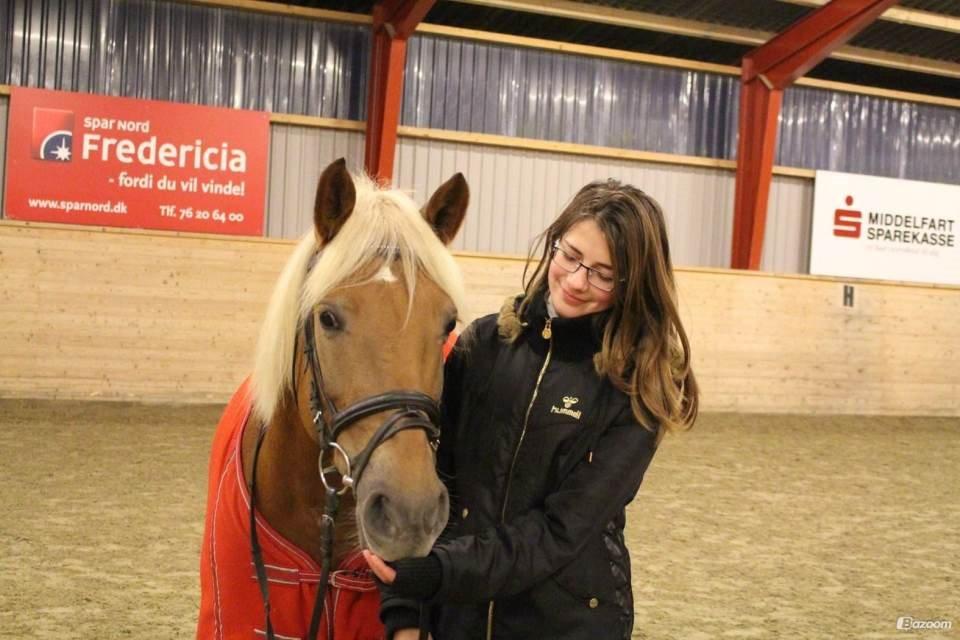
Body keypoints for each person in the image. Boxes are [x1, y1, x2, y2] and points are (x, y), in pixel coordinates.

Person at [363, 179, 699, 639]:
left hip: (564, 624)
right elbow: (426, 483)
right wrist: (405, 614)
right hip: (457, 616)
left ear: (632, 283)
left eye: (604, 274)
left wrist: (438, 574)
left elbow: (558, 532)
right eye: (571, 256)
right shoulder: (482, 345)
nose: (578, 281)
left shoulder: (638, 387)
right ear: (554, 241)